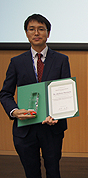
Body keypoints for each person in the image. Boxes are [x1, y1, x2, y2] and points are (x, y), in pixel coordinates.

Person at [0, 14, 71, 178]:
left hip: (51, 128)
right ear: (26, 33)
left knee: (53, 171)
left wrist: (57, 115)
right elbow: (5, 93)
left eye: (41, 29)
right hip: (25, 129)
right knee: (31, 172)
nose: (36, 33)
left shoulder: (61, 60)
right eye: (32, 29)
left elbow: (65, 94)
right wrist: (14, 111)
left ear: (48, 33)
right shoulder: (16, 62)